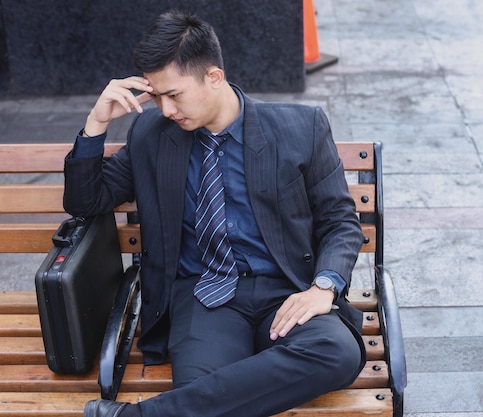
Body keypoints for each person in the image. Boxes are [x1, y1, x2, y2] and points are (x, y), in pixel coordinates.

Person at [63, 10, 365, 417]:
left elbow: (340, 222)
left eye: (175, 95)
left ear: (214, 77)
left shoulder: (300, 127)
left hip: (287, 288)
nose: (166, 109)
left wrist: (323, 287)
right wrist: (95, 124)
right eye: (156, 97)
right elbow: (86, 202)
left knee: (337, 352)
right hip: (205, 296)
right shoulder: (152, 136)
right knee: (204, 392)